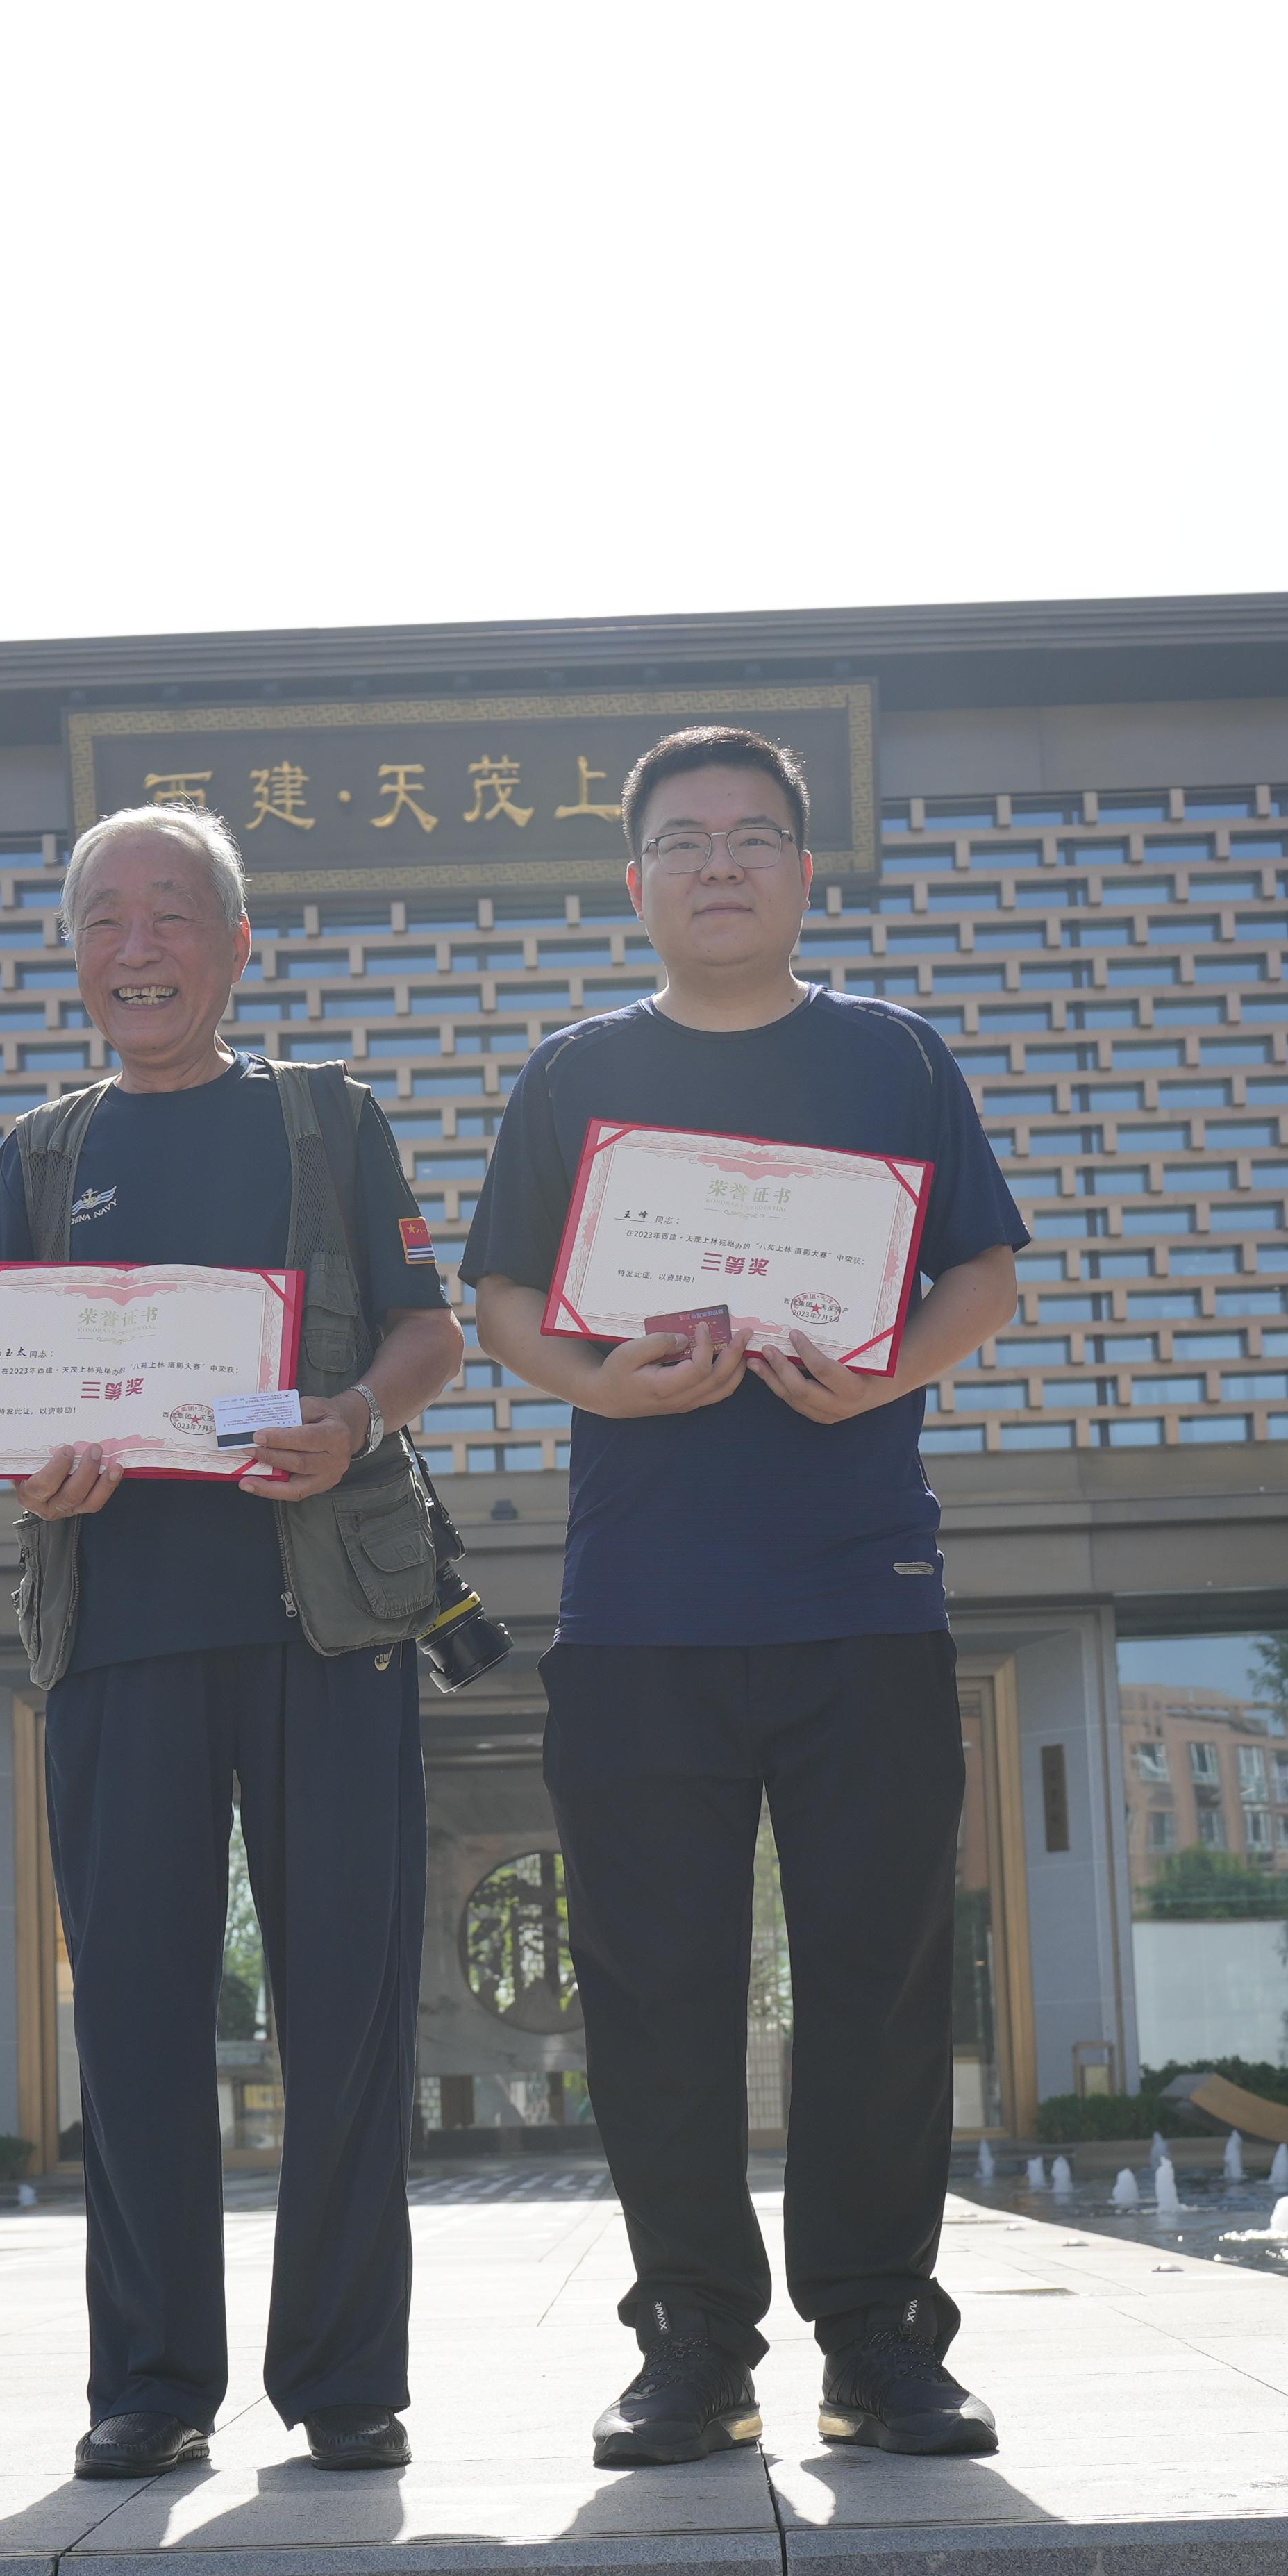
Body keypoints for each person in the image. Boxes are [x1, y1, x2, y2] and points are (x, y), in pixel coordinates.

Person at [462, 724, 1026, 2469]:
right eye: (685, 838)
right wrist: (602, 1385)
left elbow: (984, 1272)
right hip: (641, 1608)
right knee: (656, 1994)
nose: (720, 863)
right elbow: (502, 1302)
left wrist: (885, 1374)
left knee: (878, 1982)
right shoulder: (575, 1075)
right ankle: (694, 2342)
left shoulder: (889, 1056)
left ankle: (879, 2341)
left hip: (864, 1591)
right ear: (633, 879)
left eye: (754, 834)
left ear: (803, 867)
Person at [0, 800, 466, 2480]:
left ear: (237, 942)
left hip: (323, 1621)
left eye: (172, 912)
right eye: (103, 917)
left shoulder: (327, 1121)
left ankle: (345, 2376)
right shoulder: (39, 1159)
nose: (138, 946)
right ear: (71, 952)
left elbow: (426, 1331)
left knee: (345, 2006)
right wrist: (33, 1462)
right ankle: (149, 2379)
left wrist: (353, 1417)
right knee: (129, 2015)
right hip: (116, 1632)